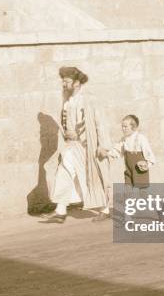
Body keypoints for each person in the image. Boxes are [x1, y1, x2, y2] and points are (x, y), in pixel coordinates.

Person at [42, 66, 113, 223]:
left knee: (89, 176)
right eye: (63, 81)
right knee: (64, 173)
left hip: (86, 146)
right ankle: (60, 211)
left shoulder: (89, 99)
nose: (63, 85)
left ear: (76, 83)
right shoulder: (68, 101)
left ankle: (105, 209)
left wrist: (102, 146)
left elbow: (99, 123)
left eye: (66, 81)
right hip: (70, 146)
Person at [104, 114, 156, 189]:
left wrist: (146, 164)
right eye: (122, 126)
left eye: (125, 127)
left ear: (133, 127)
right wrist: (107, 153)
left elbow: (150, 156)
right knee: (128, 192)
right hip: (128, 171)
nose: (123, 129)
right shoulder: (124, 139)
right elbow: (117, 151)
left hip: (140, 172)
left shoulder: (141, 139)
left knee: (142, 194)